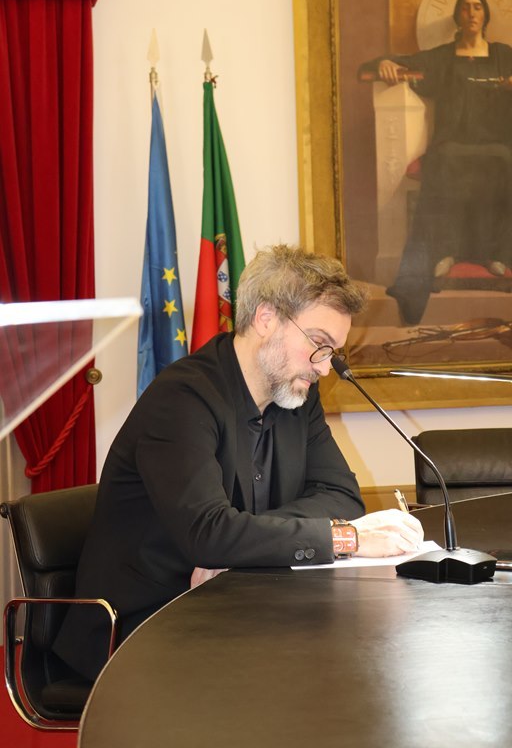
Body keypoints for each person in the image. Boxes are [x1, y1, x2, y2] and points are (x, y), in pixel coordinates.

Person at [53, 244, 423, 681]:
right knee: (314, 677)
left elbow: (341, 496)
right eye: (319, 344)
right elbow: (208, 533)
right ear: (266, 318)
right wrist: (346, 538)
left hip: (234, 605)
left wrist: (238, 546)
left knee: (355, 660)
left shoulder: (297, 397)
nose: (325, 368)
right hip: (141, 625)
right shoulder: (182, 398)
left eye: (333, 352)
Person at [361, 0, 512, 324]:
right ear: (457, 16)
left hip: (497, 145)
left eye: (477, 7)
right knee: (444, 162)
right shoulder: (443, 57)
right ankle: (443, 251)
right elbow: (398, 62)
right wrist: (382, 63)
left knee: (505, 161)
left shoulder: (504, 55)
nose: (472, 13)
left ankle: (497, 254)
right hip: (451, 143)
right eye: (466, 8)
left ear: (486, 15)